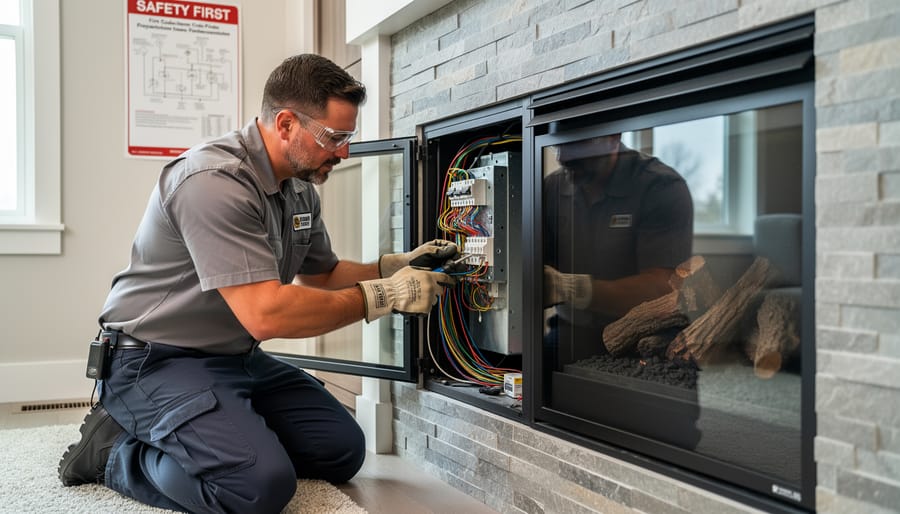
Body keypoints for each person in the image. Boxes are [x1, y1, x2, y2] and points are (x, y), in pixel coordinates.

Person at [58, 54, 458, 514]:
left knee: (342, 450)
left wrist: (390, 267)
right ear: (286, 123)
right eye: (335, 137)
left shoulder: (299, 186)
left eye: (349, 138)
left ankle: (209, 429)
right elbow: (266, 313)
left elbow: (322, 273)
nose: (344, 152)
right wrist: (385, 296)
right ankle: (114, 453)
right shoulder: (213, 181)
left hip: (235, 358)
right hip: (152, 362)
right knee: (257, 487)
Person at [542, 129, 694, 363]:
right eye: (557, 146)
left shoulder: (661, 186)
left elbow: (663, 289)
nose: (562, 158)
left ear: (613, 137)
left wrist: (571, 288)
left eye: (578, 144)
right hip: (572, 330)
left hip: (643, 335)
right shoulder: (552, 188)